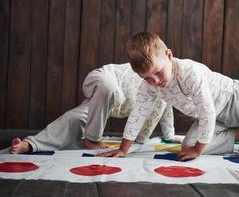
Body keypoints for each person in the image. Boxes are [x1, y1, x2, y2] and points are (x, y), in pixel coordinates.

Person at [98, 31, 239, 161]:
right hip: (214, 117)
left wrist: (199, 150)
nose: (156, 81)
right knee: (187, 147)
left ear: (169, 56)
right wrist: (124, 149)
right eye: (147, 78)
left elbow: (207, 111)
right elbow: (137, 115)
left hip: (235, 100)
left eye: (158, 73)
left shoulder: (188, 72)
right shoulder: (149, 87)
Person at [9, 63, 176, 154]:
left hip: (107, 105)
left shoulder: (162, 96)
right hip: (104, 79)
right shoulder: (150, 74)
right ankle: (93, 139)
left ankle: (30, 144)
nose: (156, 81)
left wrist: (169, 135)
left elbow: (162, 111)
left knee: (77, 119)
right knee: (109, 89)